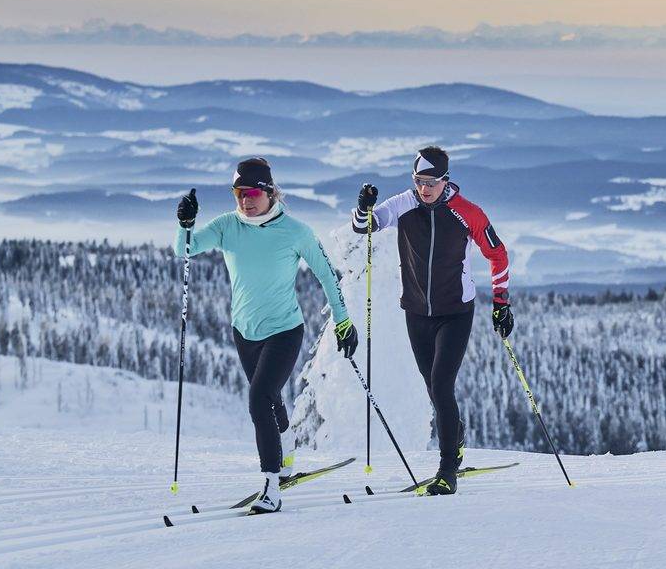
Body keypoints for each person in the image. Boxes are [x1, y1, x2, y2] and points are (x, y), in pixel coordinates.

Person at [175, 157, 357, 513]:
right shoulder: (228, 226)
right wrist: (184, 223)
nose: (246, 200)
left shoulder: (295, 231)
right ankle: (287, 447)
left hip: (285, 331)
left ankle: (272, 485)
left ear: (271, 193)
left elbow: (327, 276)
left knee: (259, 398)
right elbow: (186, 248)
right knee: (271, 398)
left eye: (253, 192)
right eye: (239, 193)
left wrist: (343, 321)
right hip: (244, 331)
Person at [351, 146, 512, 496]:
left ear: (445, 180)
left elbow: (497, 254)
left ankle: (447, 469)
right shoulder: (402, 205)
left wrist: (501, 302)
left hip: (455, 312)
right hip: (416, 313)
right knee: (434, 389)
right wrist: (362, 207)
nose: (424, 189)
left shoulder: (467, 212)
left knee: (441, 385)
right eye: (419, 181)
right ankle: (456, 433)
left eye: (431, 182)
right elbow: (363, 227)